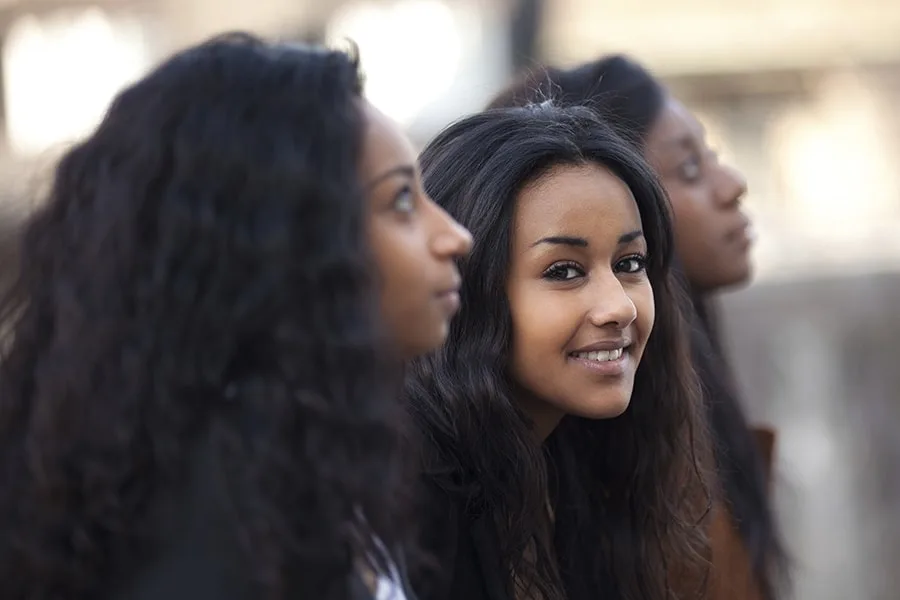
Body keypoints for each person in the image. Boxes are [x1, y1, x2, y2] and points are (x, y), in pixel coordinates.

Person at [0, 33, 471, 600]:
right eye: (400, 201)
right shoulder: (213, 516)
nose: (455, 236)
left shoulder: (288, 453)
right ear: (283, 240)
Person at [490, 55, 789, 600]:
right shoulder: (465, 501)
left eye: (630, 263)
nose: (734, 185)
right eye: (689, 169)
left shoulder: (656, 411)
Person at [405, 103, 709, 600]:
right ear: (465, 288)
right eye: (564, 271)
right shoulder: (411, 494)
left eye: (630, 263)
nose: (619, 307)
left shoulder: (579, 468)